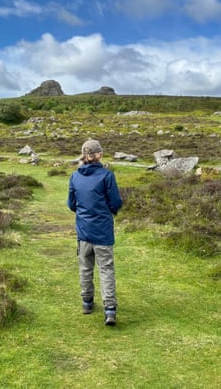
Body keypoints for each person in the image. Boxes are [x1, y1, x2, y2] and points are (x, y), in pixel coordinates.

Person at [67, 139, 123, 326]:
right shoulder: (107, 176)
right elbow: (116, 203)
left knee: (85, 268)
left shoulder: (75, 176)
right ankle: (110, 310)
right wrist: (107, 211)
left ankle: (87, 303)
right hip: (103, 232)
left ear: (84, 155)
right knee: (106, 269)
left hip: (83, 231)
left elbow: (71, 204)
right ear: (98, 155)